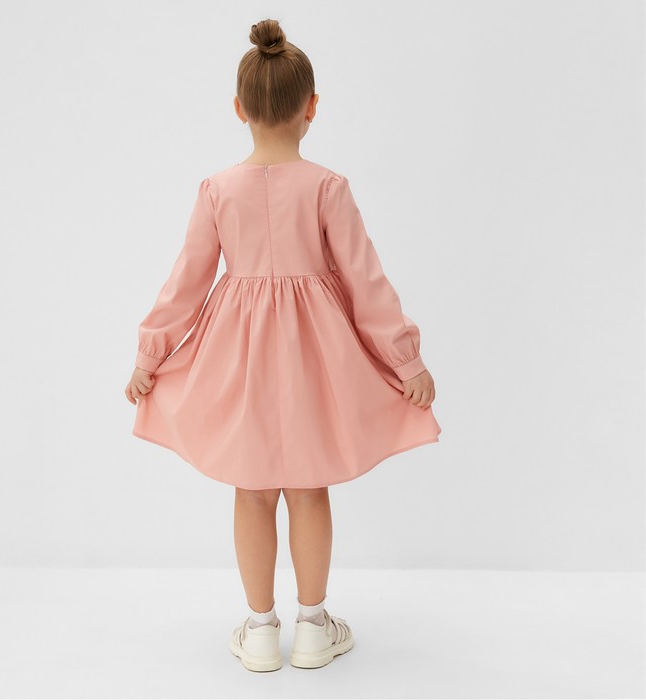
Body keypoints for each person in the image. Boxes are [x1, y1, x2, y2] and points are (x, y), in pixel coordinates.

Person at [124, 18, 442, 672]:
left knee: (252, 489)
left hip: (237, 358)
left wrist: (150, 356)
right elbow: (367, 281)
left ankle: (261, 629)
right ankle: (314, 627)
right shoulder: (327, 186)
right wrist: (405, 361)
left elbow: (185, 283)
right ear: (311, 107)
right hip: (313, 360)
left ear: (239, 109)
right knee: (308, 486)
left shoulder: (217, 190)